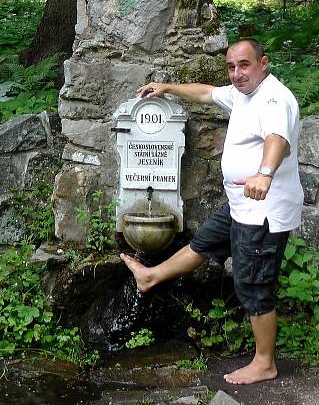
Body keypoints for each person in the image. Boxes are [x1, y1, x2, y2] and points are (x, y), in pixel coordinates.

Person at [120, 38, 304, 385]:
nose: (237, 74)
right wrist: (168, 88)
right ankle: (151, 277)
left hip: (263, 209)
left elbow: (276, 138)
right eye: (231, 67)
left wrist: (265, 174)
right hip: (240, 204)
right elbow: (207, 93)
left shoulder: (273, 98)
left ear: (263, 63)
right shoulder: (242, 94)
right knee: (204, 242)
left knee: (253, 284)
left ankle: (265, 362)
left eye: (244, 65)